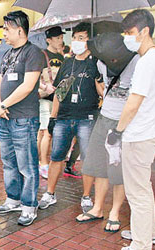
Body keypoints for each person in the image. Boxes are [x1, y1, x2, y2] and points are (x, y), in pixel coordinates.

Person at [105, 10, 155, 250]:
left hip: (138, 135)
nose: (127, 37)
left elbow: (133, 103)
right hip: (151, 131)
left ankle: (141, 243)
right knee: (143, 188)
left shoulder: (147, 61)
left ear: (144, 31)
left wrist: (117, 130)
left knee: (137, 192)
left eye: (130, 33)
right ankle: (148, 233)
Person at [75, 32, 140, 233]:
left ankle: (114, 212)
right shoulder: (101, 63)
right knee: (98, 166)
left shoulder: (136, 61)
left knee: (118, 170)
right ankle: (97, 208)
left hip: (125, 122)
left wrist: (123, 127)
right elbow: (104, 87)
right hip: (104, 118)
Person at [39, 22, 103, 212]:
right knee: (56, 156)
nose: (76, 42)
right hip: (64, 118)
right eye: (74, 38)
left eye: (81, 38)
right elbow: (60, 92)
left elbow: (102, 92)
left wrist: (97, 76)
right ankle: (49, 193)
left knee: (87, 159)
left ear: (89, 41)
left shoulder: (96, 63)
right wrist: (53, 117)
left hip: (87, 117)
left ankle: (86, 196)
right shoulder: (67, 62)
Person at [0, 10, 45, 226]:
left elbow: (28, 86)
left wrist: (4, 104)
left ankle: (29, 205)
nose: (4, 33)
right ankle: (13, 199)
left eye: (7, 28)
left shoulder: (33, 53)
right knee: (9, 162)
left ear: (20, 30)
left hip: (24, 118)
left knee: (27, 164)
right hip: (4, 117)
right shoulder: (7, 54)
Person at [38, 26, 65, 179]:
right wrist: (44, 87)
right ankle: (43, 163)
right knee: (46, 132)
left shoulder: (62, 57)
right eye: (58, 38)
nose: (61, 41)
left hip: (57, 98)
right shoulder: (42, 55)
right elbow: (35, 76)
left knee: (44, 133)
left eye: (62, 38)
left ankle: (39, 160)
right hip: (44, 97)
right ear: (49, 40)